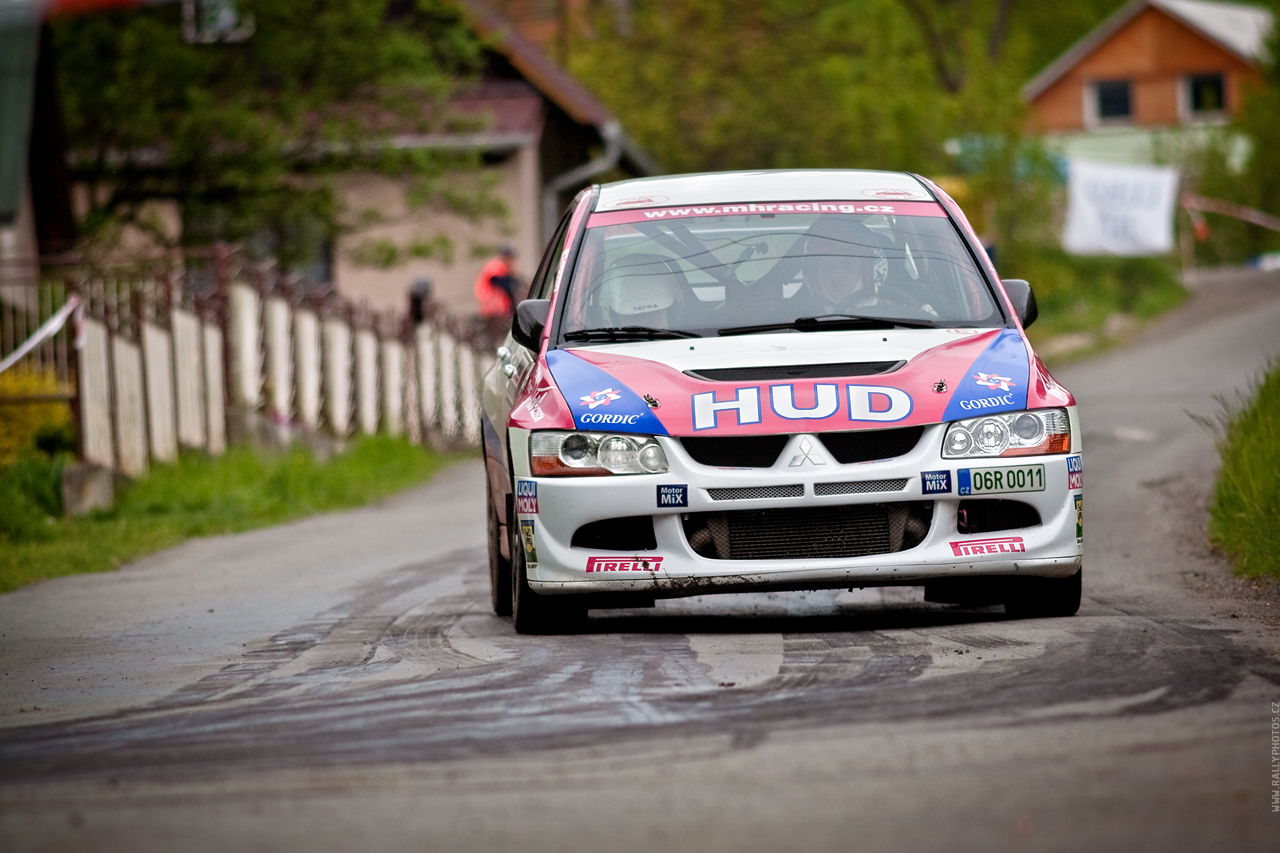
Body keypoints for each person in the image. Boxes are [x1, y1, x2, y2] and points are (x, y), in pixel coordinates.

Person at [475, 245, 520, 342]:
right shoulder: (497, 268)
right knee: (496, 337)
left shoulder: (502, 268)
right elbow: (507, 286)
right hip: (494, 309)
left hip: (497, 309)